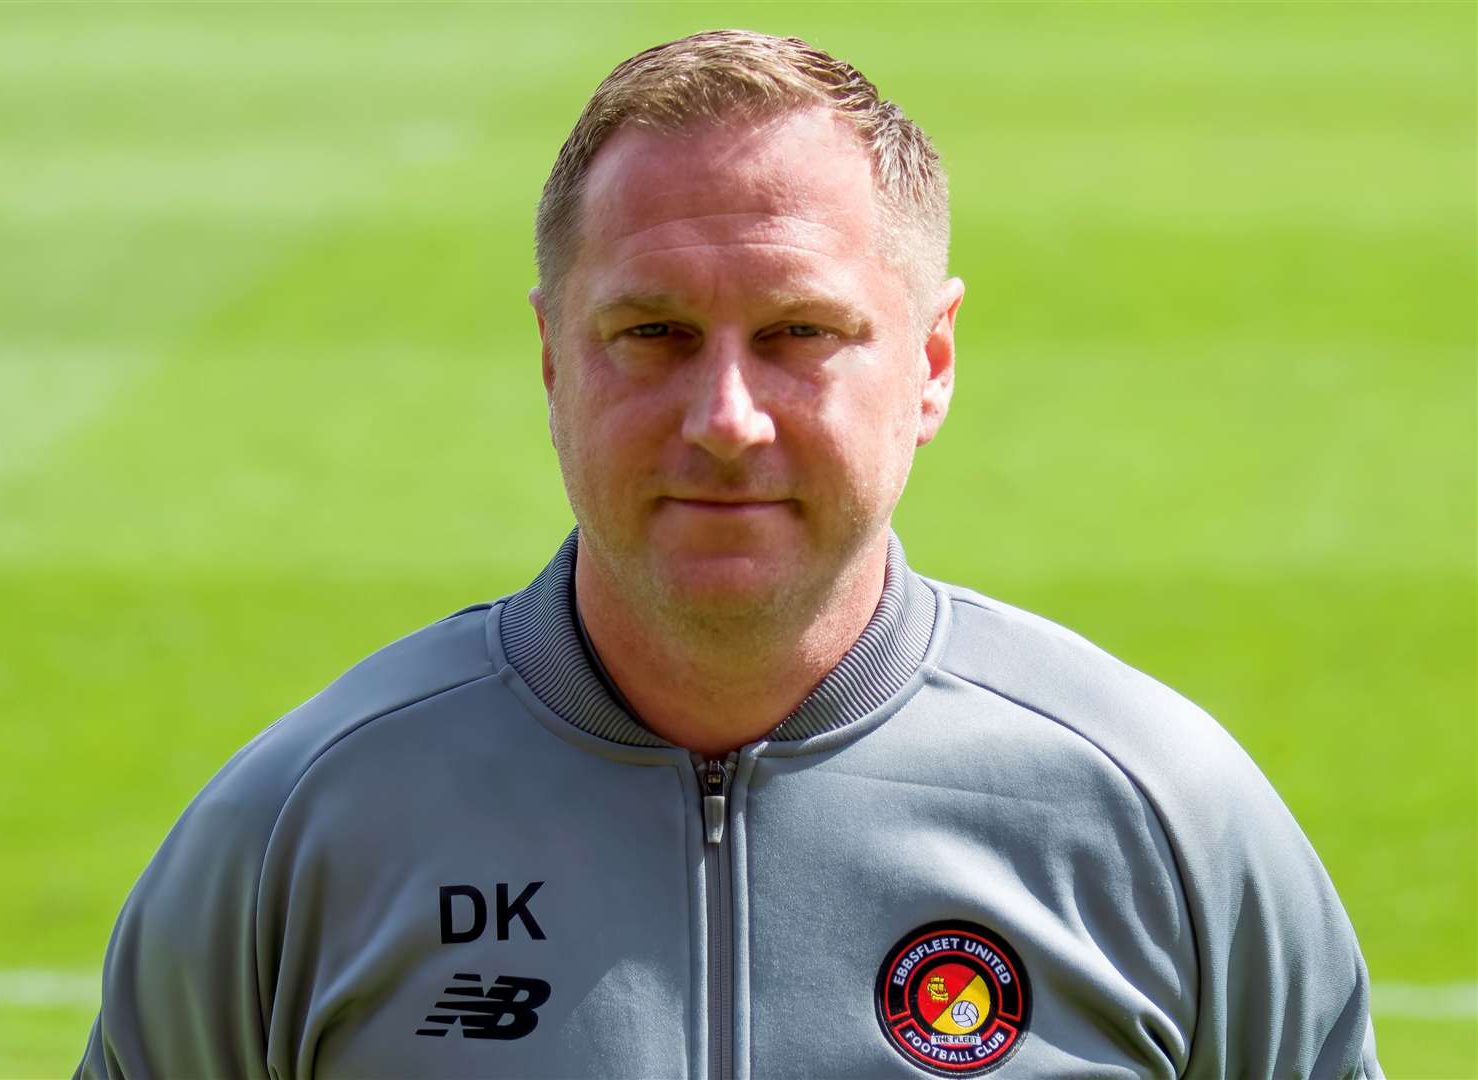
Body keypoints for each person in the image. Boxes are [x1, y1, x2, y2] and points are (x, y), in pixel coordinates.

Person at [77, 29, 1381, 1079]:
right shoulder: (303, 826)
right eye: (650, 333)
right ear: (549, 359)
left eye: (800, 332)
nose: (724, 420)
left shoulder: (1158, 811)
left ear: (928, 363)